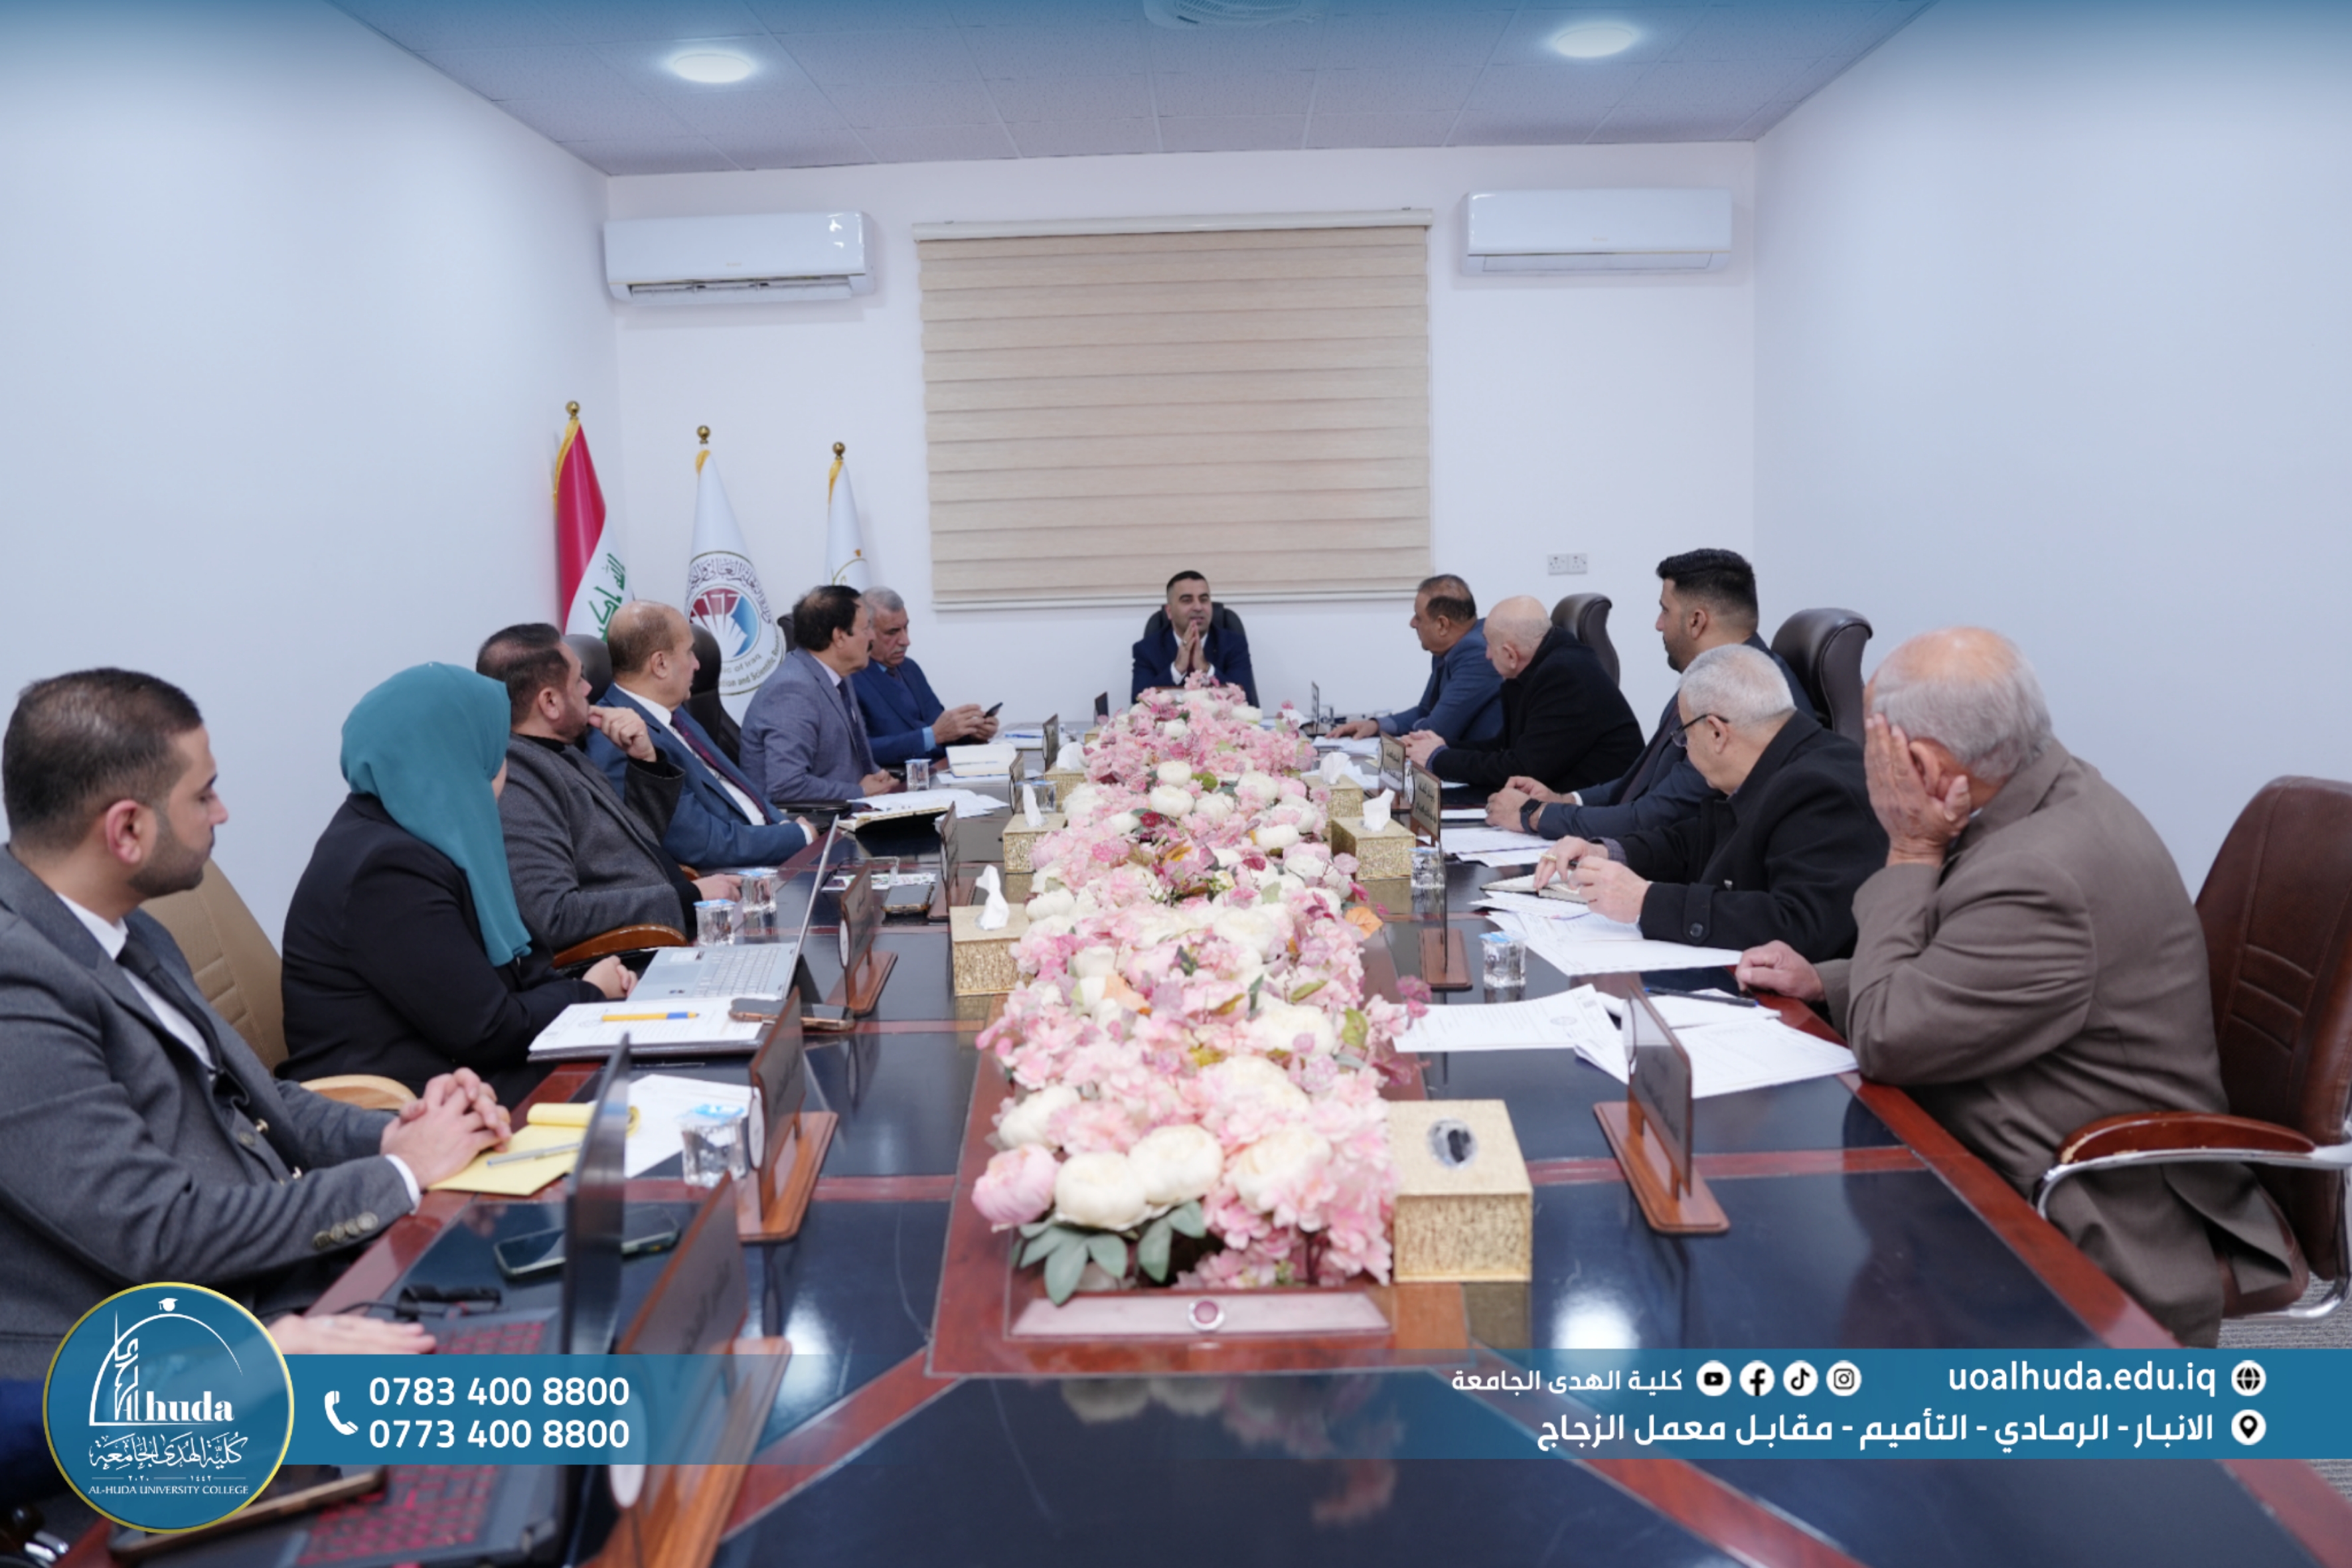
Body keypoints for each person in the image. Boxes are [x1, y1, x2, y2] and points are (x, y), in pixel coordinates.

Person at [1733, 629, 2298, 1346]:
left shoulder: (2040, 872)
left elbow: (1886, 1038)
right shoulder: (2040, 789)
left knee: (1779, 1283)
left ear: (1921, 764)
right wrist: (1823, 979)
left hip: (2094, 1199)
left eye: (1871, 744)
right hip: (2017, 1111)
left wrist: (1909, 850)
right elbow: (1963, 958)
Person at [0, 668, 511, 1377]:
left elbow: (256, 1102)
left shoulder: (131, 929)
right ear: (127, 829)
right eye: (203, 794)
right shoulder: (18, 986)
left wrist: (399, 1133)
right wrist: (398, 1175)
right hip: (174, 1366)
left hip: (281, 1284)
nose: (222, 812)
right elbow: (158, 1233)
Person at [281, 663, 635, 1105]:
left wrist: (588, 987)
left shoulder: (416, 830)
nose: (503, 768)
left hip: (459, 1070)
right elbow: (488, 1030)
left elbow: (515, 974)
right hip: (410, 1103)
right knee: (644, 1090)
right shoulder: (386, 870)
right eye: (493, 751)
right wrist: (590, 991)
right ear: (456, 757)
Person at [1531, 645, 1884, 958]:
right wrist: (1607, 852)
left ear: (1716, 732)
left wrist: (1644, 901)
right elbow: (1695, 843)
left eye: (1684, 736)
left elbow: (1796, 925)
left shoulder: (1822, 788)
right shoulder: (1769, 765)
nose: (1685, 749)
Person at [1488, 549, 1814, 838]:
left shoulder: (1739, 697)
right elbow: (1640, 784)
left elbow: (1655, 816)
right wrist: (1564, 800)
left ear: (1696, 621)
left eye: (1665, 611)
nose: (1659, 624)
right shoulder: (1712, 676)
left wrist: (1534, 816)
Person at [475, 624, 737, 954]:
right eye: (579, 680)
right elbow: (554, 917)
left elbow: (632, 848)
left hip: (675, 932)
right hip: (635, 957)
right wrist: (691, 898)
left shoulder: (563, 751)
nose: (589, 689)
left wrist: (645, 761)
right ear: (550, 702)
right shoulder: (517, 779)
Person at [591, 602, 812, 871]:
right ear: (660, 664)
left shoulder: (672, 711)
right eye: (689, 652)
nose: (697, 664)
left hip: (770, 847)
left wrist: (785, 826)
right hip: (734, 875)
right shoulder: (618, 741)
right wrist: (798, 837)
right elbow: (700, 844)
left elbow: (744, 792)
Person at [1401, 595, 1641, 795]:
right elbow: (1504, 747)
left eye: (1489, 645)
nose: (1487, 655)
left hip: (1599, 810)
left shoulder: (1564, 677)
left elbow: (1523, 768)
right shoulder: (1536, 668)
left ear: (1510, 655)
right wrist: (1442, 746)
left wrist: (1438, 759)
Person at [740, 585, 900, 805]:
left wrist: (877, 776)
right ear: (839, 637)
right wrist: (860, 791)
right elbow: (787, 786)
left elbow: (848, 760)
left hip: (846, 808)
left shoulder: (838, 676)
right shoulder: (792, 690)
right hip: (808, 820)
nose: (873, 636)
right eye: (866, 629)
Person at [1326, 574, 1503, 747]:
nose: (1412, 623)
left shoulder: (1477, 652)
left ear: (1442, 625)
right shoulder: (1447, 649)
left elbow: (1436, 731)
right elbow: (1425, 711)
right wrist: (1376, 726)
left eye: (1419, 617)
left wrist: (1409, 733)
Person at [852, 586, 999, 767]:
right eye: (892, 632)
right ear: (867, 632)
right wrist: (932, 736)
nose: (906, 641)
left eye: (906, 628)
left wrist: (972, 733)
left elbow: (938, 726)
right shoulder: (852, 678)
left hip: (940, 770)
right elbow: (861, 751)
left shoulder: (909, 668)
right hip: (901, 777)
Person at [1130, 570, 1257, 706]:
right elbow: (1139, 703)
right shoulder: (1147, 649)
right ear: (1169, 611)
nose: (1198, 607)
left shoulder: (1234, 644)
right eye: (1187, 600)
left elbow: (1245, 700)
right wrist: (1177, 669)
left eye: (1204, 599)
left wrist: (1205, 668)